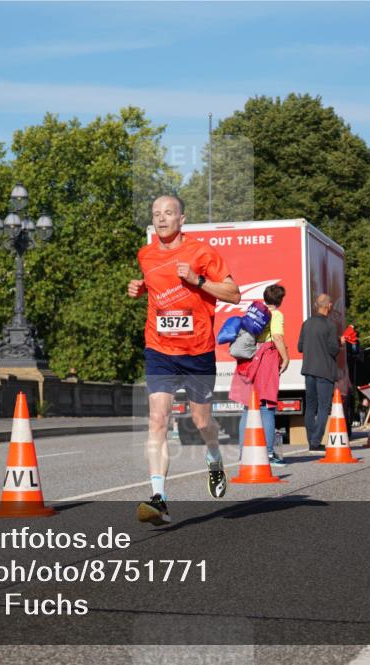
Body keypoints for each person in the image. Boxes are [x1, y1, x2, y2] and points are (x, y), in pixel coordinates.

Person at [127, 195, 240, 525]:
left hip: (198, 351)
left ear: (182, 219)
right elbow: (157, 285)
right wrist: (141, 289)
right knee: (158, 419)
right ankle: (158, 497)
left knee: (202, 422)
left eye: (168, 213)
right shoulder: (145, 255)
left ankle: (214, 458)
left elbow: (234, 293)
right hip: (160, 349)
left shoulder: (201, 253)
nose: (161, 219)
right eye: (156, 214)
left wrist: (198, 280)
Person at [232, 284, 288, 466]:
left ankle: (243, 453)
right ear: (280, 300)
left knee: (248, 408)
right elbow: (277, 337)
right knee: (267, 406)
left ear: (265, 298)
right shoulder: (277, 315)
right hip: (267, 357)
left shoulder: (254, 313)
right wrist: (286, 358)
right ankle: (269, 454)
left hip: (249, 357)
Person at [297, 293, 342, 451]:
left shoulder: (306, 324)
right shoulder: (330, 325)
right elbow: (334, 349)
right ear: (328, 306)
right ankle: (316, 441)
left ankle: (311, 441)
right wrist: (339, 341)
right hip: (325, 371)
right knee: (323, 407)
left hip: (308, 370)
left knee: (310, 407)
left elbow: (300, 347)